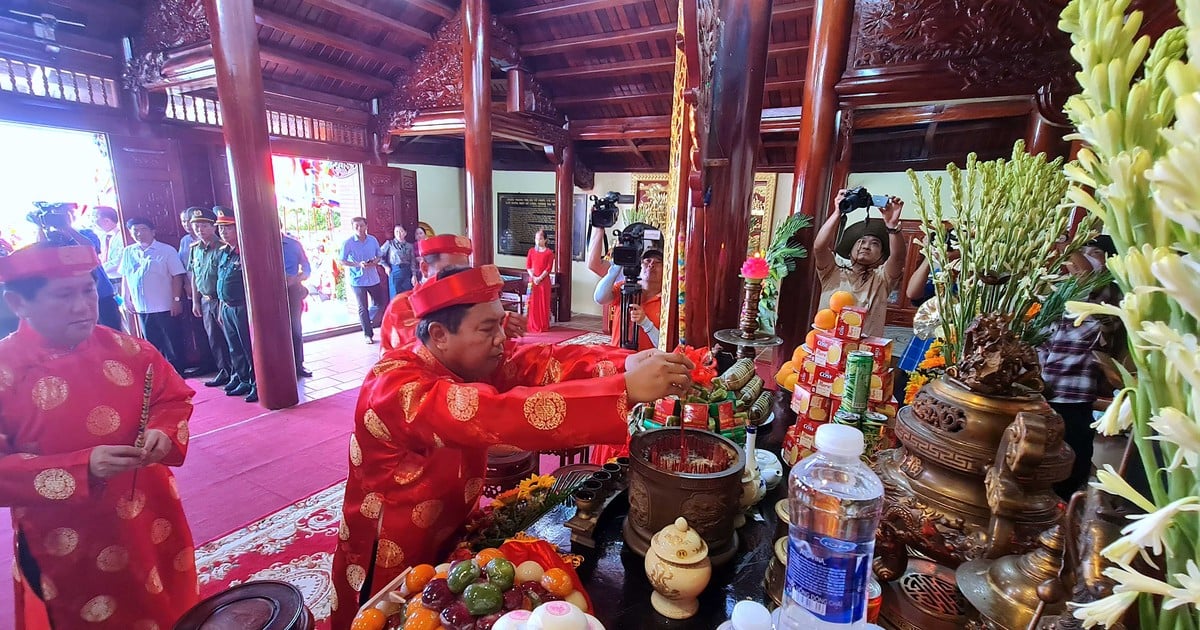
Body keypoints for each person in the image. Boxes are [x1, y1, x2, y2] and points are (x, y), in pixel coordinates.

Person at [330, 264, 694, 626]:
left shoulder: (467, 360)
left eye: (501, 324)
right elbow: (489, 414)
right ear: (440, 334)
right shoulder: (394, 387)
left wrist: (624, 362)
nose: (502, 339)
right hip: (392, 548)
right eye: (488, 329)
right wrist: (624, 389)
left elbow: (539, 363)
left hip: (452, 525)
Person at [0, 242, 198, 630]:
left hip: (150, 513)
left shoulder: (129, 350)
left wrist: (162, 431)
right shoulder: (6, 372)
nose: (83, 306)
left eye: (88, 290)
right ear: (18, 304)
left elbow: (173, 398)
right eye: (64, 295)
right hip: (66, 536)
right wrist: (81, 467)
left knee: (166, 602)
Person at [1040, 235, 1124, 499]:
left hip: (1073, 394)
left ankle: (1065, 512)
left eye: (1095, 252)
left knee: (1071, 459)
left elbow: (1088, 276)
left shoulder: (1107, 291)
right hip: (1044, 389)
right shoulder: (1063, 291)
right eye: (1082, 251)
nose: (1083, 257)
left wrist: (1066, 245)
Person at [378, 234, 527, 353]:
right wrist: (486, 327)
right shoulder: (402, 305)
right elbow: (423, 346)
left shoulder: (468, 301)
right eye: (449, 272)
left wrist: (493, 325)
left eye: (463, 271)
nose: (459, 279)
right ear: (424, 268)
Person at [813, 190, 907, 338]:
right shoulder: (832, 272)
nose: (865, 246)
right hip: (825, 350)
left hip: (863, 355)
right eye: (861, 242)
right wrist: (838, 212)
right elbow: (819, 247)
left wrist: (892, 225)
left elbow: (898, 258)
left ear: (882, 257)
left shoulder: (882, 279)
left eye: (874, 243)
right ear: (850, 252)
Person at [118, 216, 187, 372]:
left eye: (143, 229)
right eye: (135, 230)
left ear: (153, 232)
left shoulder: (166, 250)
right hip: (142, 306)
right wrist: (125, 298)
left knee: (172, 340)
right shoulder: (129, 251)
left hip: (164, 304)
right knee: (151, 342)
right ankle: (158, 371)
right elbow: (125, 275)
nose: (139, 233)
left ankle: (177, 371)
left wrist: (176, 299)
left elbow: (177, 275)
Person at [586, 226, 664, 350]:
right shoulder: (624, 288)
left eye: (658, 262)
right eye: (647, 260)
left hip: (649, 364)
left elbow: (665, 346)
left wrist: (645, 323)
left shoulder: (667, 301)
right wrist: (617, 266)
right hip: (618, 359)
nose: (651, 264)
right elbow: (599, 298)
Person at [186, 207, 234, 388]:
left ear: (213, 227)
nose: (200, 229)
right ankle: (224, 371)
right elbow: (194, 277)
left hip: (221, 300)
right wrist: (196, 301)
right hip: (205, 300)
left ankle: (238, 373)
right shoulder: (194, 249)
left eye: (204, 225)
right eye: (196, 226)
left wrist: (222, 303)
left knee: (230, 338)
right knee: (214, 339)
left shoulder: (223, 248)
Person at [214, 208, 258, 403]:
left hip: (242, 307)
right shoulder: (225, 252)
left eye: (228, 228)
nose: (223, 232)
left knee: (248, 346)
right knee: (234, 347)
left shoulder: (247, 252)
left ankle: (257, 382)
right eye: (221, 228)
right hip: (227, 306)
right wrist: (221, 307)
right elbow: (221, 279)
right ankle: (243, 379)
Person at [340, 217, 386, 344]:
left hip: (373, 278)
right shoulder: (348, 243)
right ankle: (368, 334)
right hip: (358, 280)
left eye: (362, 226)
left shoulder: (372, 240)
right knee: (362, 307)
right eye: (356, 226)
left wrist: (375, 262)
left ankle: (368, 320)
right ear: (353, 228)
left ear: (366, 226)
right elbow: (342, 260)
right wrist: (357, 264)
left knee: (380, 302)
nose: (360, 229)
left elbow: (379, 254)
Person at [281, 230, 312, 378]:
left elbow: (307, 267)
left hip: (292, 291)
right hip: (267, 294)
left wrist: (297, 278)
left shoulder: (293, 245)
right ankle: (280, 367)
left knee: (295, 329)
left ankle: (298, 364)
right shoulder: (259, 245)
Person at [526, 229, 555, 333]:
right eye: (536, 238)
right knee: (532, 303)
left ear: (545, 240)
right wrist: (533, 277)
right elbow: (528, 266)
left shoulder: (549, 253)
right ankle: (532, 325)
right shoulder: (531, 251)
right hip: (532, 281)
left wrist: (539, 278)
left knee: (542, 303)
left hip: (543, 281)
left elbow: (548, 268)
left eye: (540, 238)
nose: (538, 241)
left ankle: (542, 325)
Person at [92, 206, 125, 284]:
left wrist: (98, 269)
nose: (93, 220)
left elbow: (119, 261)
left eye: (95, 217)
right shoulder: (102, 237)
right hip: (106, 279)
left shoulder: (122, 237)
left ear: (107, 220)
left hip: (118, 280)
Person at [380, 225, 415, 298]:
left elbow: (413, 261)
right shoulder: (389, 244)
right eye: (396, 232)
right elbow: (378, 256)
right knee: (395, 296)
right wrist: (385, 266)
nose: (399, 234)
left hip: (407, 272)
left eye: (401, 231)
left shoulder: (410, 246)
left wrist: (414, 275)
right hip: (395, 270)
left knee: (407, 295)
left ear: (405, 233)